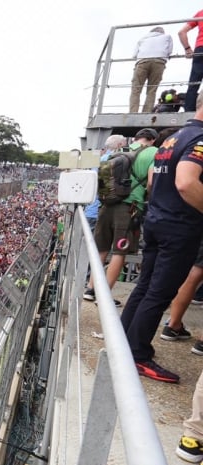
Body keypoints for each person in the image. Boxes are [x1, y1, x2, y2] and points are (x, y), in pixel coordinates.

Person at [121, 93, 203, 383]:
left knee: (144, 287)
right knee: (159, 293)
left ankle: (123, 342)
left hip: (157, 220)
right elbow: (186, 182)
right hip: (179, 227)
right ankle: (137, 355)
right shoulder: (199, 139)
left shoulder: (172, 138)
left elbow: (155, 181)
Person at [84, 129, 157, 306]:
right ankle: (104, 296)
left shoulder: (121, 150)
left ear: (137, 138)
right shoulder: (153, 152)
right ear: (152, 140)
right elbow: (150, 182)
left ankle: (90, 289)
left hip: (106, 204)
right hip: (129, 207)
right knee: (119, 252)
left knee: (101, 249)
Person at [129, 27, 173, 113]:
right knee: (152, 90)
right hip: (159, 62)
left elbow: (134, 55)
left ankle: (133, 112)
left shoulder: (142, 39)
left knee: (136, 89)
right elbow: (169, 51)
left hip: (142, 61)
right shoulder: (167, 37)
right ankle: (146, 112)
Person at [180, 10, 203, 113]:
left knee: (194, 83)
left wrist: (187, 49)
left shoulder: (200, 13)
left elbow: (181, 32)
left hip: (200, 50)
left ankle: (189, 111)